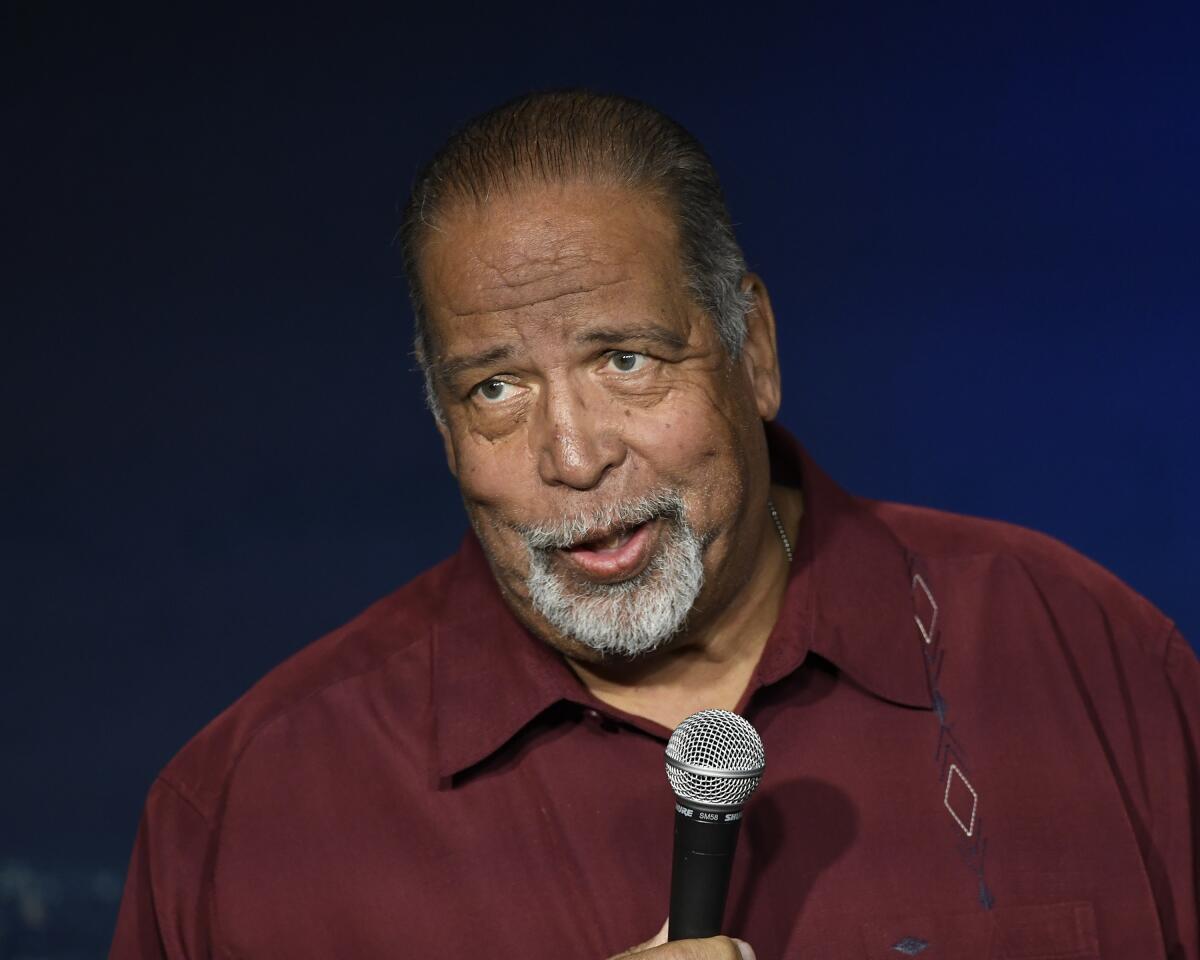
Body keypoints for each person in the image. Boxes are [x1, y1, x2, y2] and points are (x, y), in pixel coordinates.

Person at [110, 91, 1198, 960]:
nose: (574, 457)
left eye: (626, 361)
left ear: (754, 348)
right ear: (441, 426)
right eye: (495, 389)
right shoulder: (248, 814)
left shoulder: (1091, 663)